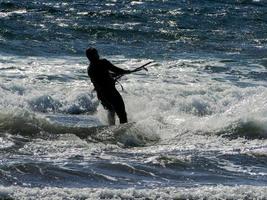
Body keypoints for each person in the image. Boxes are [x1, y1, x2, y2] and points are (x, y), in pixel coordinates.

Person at [86, 47, 130, 125]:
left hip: (101, 95)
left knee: (111, 111)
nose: (98, 55)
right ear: (93, 55)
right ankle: (123, 133)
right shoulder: (103, 62)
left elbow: (102, 76)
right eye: (96, 54)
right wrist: (126, 71)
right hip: (111, 92)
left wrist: (114, 75)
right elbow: (115, 69)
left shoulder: (90, 69)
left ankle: (111, 129)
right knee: (122, 114)